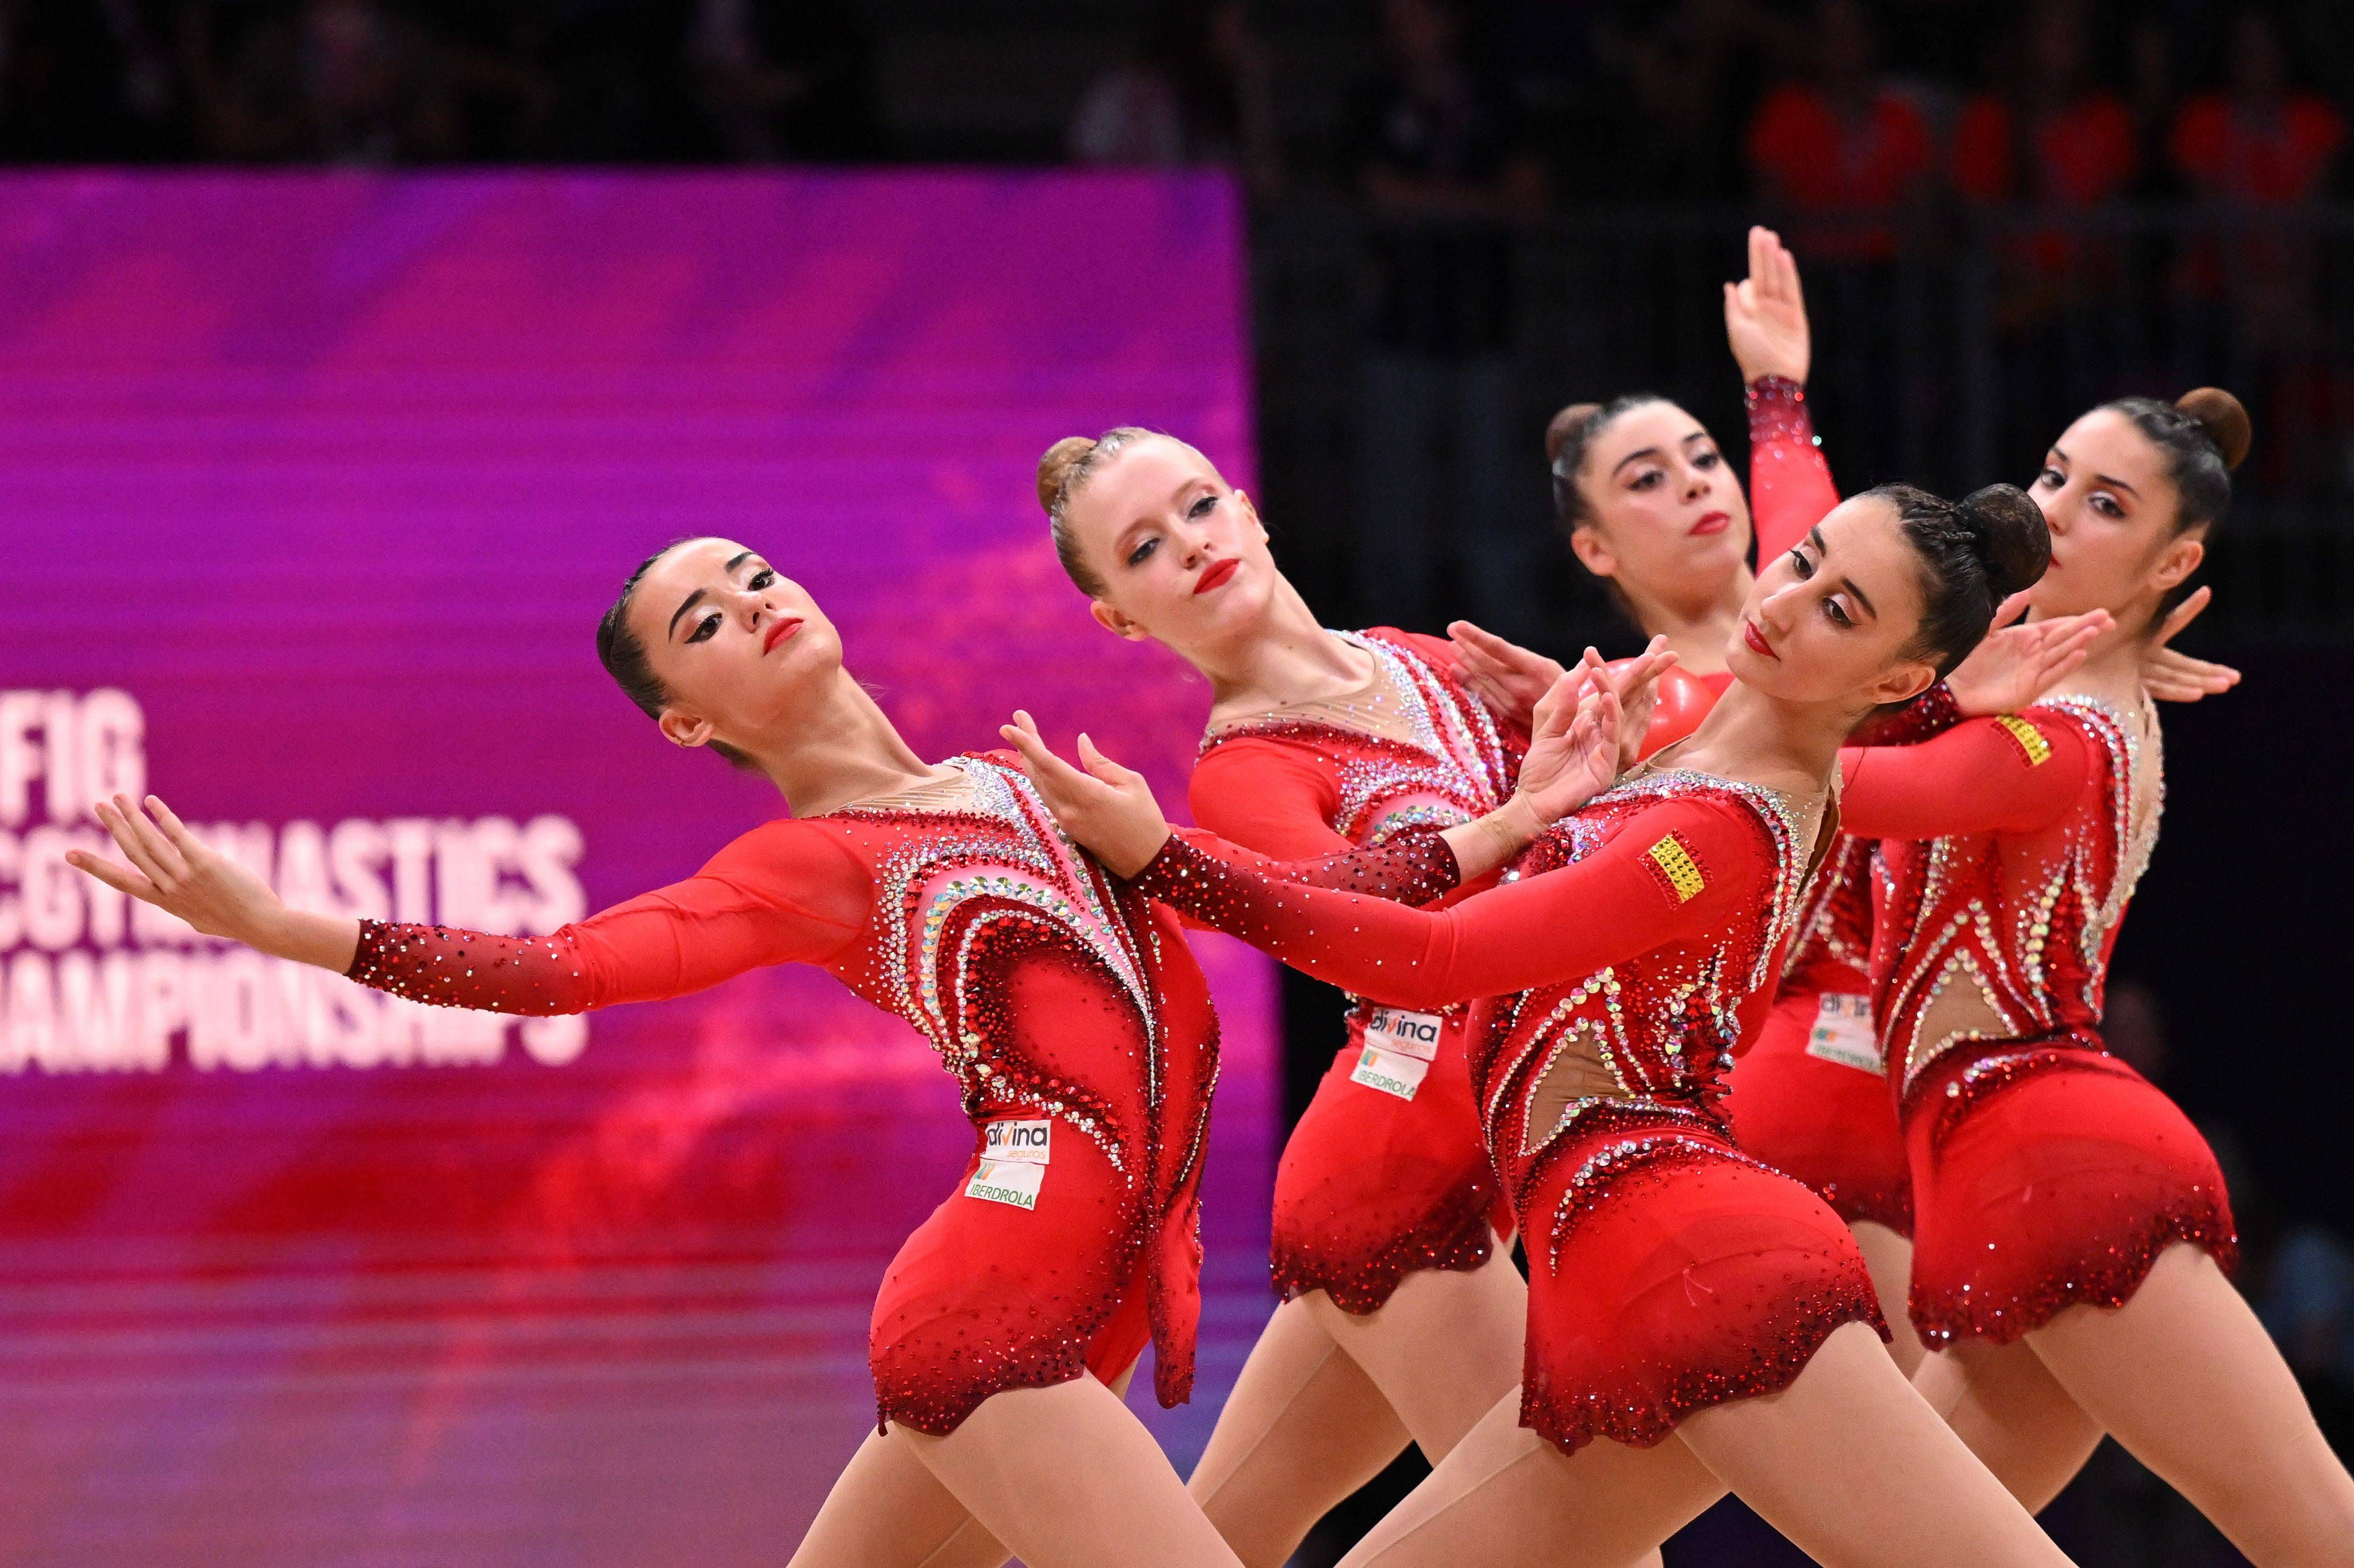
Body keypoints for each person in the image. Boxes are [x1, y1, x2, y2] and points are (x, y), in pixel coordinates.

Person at [69, 534, 1599, 1568]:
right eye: (705, 625)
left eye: (747, 575)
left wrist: (1528, 806)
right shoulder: (809, 867)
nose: (751, 601)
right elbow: (559, 969)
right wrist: (287, 930)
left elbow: (1316, 906)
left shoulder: (1022, 780)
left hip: (1064, 1313)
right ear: (685, 721)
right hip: (991, 1320)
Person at [1006, 481, 2093, 1567]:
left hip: (1689, 1257)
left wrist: (1165, 860)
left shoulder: (1717, 820)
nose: (1787, 597)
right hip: (1606, 1266)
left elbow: (1434, 956)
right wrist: (1557, 804)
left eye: (1843, 608)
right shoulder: (1704, 768)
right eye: (1803, 559)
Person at [1448, 229, 2239, 1376]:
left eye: (1700, 458)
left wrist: (1776, 399)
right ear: (1592, 551)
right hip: (1797, 1073)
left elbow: (1819, 533)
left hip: (1924, 1094)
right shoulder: (1659, 705)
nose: (1693, 489)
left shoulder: (1828, 631)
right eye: (1645, 481)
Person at [1032, 426, 1672, 1566]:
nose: (1189, 545)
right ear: (1121, 618)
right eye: (1142, 548)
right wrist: (1517, 819)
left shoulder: (1414, 657)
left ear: (1248, 506)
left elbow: (1597, 843)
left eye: (1195, 508)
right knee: (1600, 1545)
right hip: (1398, 1179)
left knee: (1217, 1543)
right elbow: (1354, 924)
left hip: (1472, 1155)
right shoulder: (1241, 767)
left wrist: (1619, 736)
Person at [1832, 393, 2354, 1563]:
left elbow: (1815, 790)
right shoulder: (2034, 689)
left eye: (2103, 504)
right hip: (1988, 1175)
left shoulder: (2050, 734)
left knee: (2316, 1535)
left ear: (2173, 561)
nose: (2052, 511)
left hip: (2058, 1172)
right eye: (2055, 474)